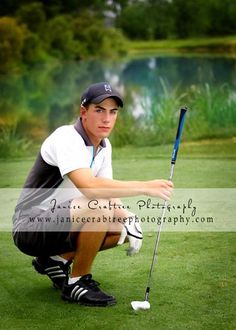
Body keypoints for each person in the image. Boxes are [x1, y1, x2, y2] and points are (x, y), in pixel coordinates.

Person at [12, 82, 173, 307]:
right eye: (99, 110)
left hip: (62, 222)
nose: (107, 118)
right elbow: (90, 187)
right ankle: (77, 283)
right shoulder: (66, 137)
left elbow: (107, 190)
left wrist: (127, 217)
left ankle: (54, 260)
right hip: (30, 226)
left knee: (119, 230)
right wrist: (146, 186)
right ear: (83, 112)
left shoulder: (104, 146)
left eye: (113, 112)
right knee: (99, 206)